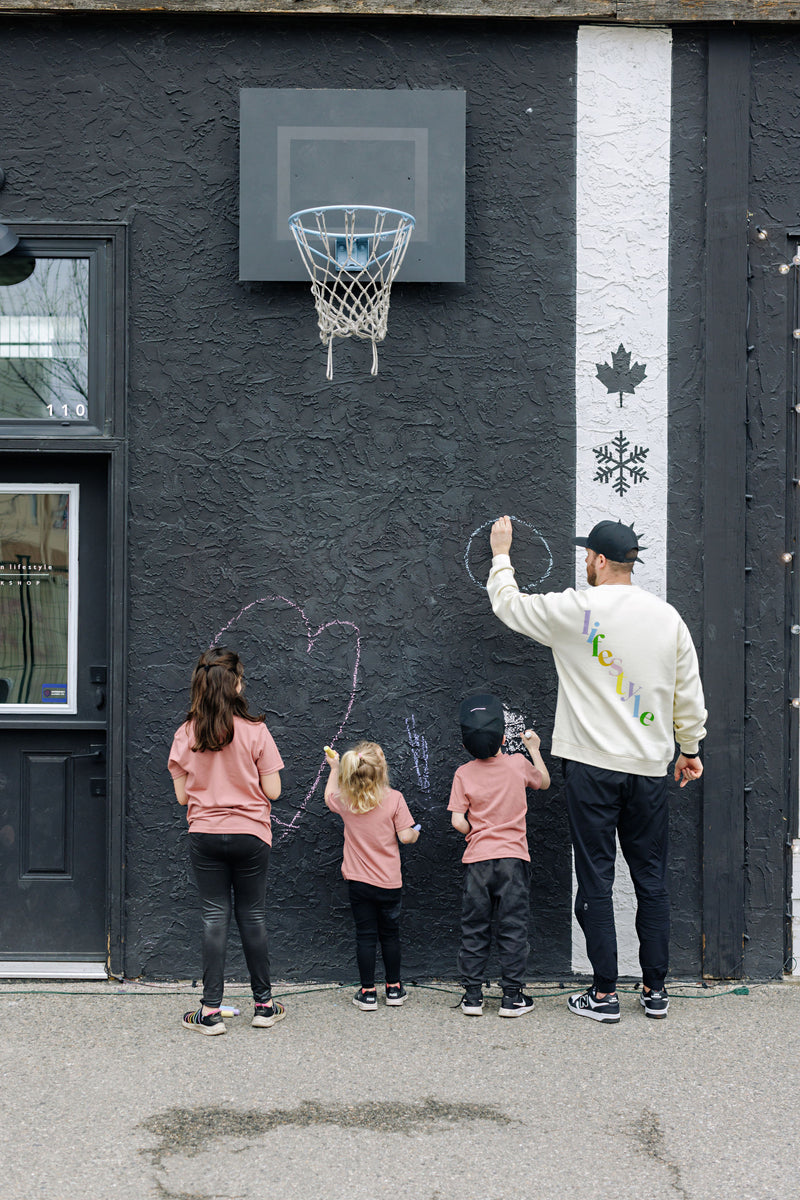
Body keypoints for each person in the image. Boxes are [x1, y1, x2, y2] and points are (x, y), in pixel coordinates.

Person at [487, 517, 707, 1023]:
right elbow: (688, 696)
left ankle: (604, 995)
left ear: (601, 561)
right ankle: (655, 991)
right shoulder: (668, 618)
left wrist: (502, 555)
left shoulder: (577, 610)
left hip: (590, 769)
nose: (584, 561)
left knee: (596, 880)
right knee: (651, 880)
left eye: (588, 555)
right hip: (650, 770)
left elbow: (510, 607)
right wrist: (689, 748)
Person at [168, 646, 286, 1035]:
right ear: (234, 684)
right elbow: (274, 791)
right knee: (252, 915)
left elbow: (183, 797)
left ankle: (210, 1012)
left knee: (213, 917)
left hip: (205, 833)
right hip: (251, 834)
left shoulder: (186, 734)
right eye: (241, 677)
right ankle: (265, 1007)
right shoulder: (256, 730)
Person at [448, 693, 550, 1018]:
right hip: (513, 862)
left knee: (475, 927)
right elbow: (544, 782)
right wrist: (533, 749)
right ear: (504, 739)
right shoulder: (518, 764)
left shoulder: (463, 773)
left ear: (466, 747)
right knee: (512, 927)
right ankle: (512, 997)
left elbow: (456, 819)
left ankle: (473, 996)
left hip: (477, 863)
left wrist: (473, 832)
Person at [324, 741, 420, 1010]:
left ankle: (367, 993)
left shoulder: (345, 800)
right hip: (389, 882)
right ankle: (394, 989)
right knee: (390, 935)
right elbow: (405, 836)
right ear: (381, 771)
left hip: (358, 883)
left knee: (365, 936)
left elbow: (328, 797)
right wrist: (415, 832)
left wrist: (333, 769)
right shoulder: (394, 799)